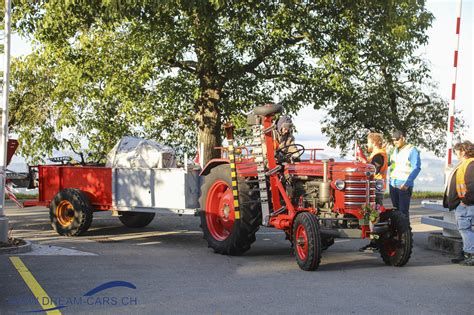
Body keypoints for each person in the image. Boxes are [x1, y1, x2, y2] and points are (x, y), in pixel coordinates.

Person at [444, 141, 474, 266]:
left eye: (457, 151)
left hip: (467, 203)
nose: (456, 154)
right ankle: (466, 252)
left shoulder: (470, 164)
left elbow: (472, 186)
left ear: (463, 151)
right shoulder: (465, 164)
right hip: (464, 202)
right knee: (465, 229)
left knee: (465, 229)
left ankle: (470, 255)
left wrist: (465, 202)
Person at [358, 133, 388, 252]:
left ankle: (375, 242)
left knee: (373, 217)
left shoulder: (379, 155)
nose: (367, 144)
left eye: (368, 142)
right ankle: (374, 242)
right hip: (374, 188)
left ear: (374, 142)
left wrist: (364, 161)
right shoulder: (377, 154)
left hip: (375, 189)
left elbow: (373, 169)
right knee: (373, 217)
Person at [388, 130, 421, 217]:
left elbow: (416, 168)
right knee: (396, 212)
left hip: (404, 185)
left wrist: (407, 183)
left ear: (403, 138)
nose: (395, 142)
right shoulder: (393, 150)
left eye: (397, 139)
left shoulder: (412, 150)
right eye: (393, 140)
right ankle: (398, 230)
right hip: (392, 185)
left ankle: (406, 231)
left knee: (403, 213)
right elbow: (386, 163)